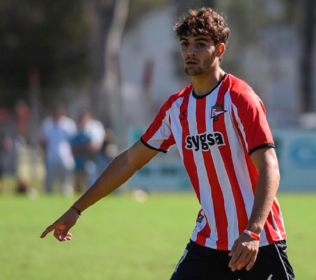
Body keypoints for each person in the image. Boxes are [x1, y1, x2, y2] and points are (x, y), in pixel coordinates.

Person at [40, 7, 295, 280]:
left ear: (220, 49)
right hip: (208, 242)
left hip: (258, 241)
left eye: (200, 44)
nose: (190, 52)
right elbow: (129, 161)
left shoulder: (240, 98)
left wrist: (253, 231)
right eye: (185, 44)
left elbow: (269, 166)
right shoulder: (177, 109)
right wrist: (77, 208)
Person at [40, 104, 77, 196]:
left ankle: (68, 205)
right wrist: (44, 154)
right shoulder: (47, 124)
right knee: (49, 183)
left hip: (66, 158)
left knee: (66, 184)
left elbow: (74, 140)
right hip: (51, 157)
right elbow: (43, 141)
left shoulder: (68, 124)